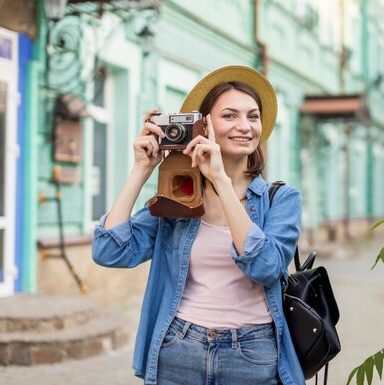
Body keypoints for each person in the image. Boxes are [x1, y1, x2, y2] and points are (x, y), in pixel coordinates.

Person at [92, 65, 305, 385]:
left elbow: (266, 266)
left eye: (253, 116)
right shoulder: (180, 194)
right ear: (204, 126)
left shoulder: (281, 199)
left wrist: (220, 179)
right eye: (230, 115)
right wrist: (141, 170)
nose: (245, 126)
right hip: (179, 348)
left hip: (252, 355)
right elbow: (109, 251)